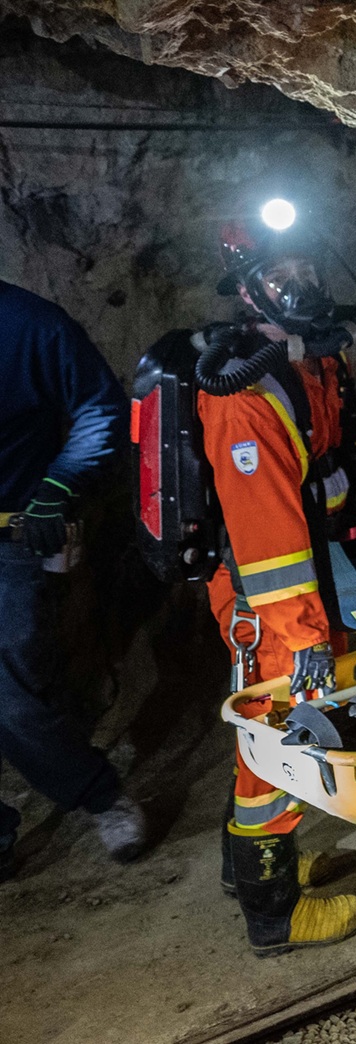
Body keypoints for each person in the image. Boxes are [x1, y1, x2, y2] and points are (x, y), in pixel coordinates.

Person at [193, 209, 356, 955]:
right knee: (275, 741)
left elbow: (347, 459)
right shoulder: (241, 392)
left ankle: (243, 869)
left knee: (267, 738)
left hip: (320, 575)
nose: (300, 288)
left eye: (307, 272)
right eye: (280, 279)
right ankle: (273, 913)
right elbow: (266, 534)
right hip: (270, 601)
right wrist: (304, 635)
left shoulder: (318, 360)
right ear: (248, 295)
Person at [0, 280, 146, 880]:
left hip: (15, 534)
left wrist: (57, 488)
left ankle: (100, 795)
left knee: (10, 695)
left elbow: (100, 406)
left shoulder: (26, 322)